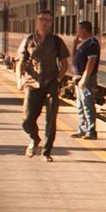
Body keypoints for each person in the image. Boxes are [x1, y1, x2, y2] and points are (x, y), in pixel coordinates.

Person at [18, 10, 69, 161]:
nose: (44, 22)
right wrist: (19, 79)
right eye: (42, 19)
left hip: (51, 84)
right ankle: (34, 138)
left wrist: (58, 80)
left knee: (51, 119)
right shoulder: (28, 40)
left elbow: (64, 64)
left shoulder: (56, 41)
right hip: (32, 84)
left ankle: (46, 152)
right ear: (36, 21)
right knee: (27, 120)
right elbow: (20, 61)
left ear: (51, 23)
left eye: (48, 20)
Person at [71, 20, 100, 140]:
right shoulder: (84, 43)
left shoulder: (92, 43)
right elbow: (74, 58)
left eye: (79, 30)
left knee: (87, 105)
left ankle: (91, 131)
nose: (78, 32)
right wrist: (74, 44)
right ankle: (82, 129)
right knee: (81, 105)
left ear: (84, 30)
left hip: (86, 79)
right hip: (79, 78)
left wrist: (84, 78)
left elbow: (91, 62)